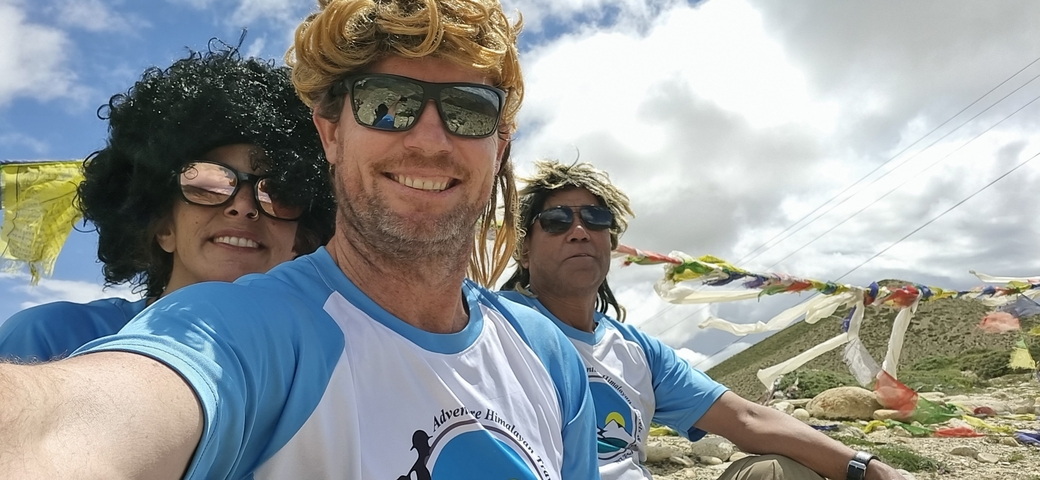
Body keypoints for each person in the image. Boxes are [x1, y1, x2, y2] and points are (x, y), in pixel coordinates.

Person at [0, 1, 598, 479]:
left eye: (469, 109)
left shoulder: (546, 354)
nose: (432, 139)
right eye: (386, 105)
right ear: (330, 134)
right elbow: (80, 424)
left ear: (500, 142)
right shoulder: (234, 331)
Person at [500, 160, 905, 480]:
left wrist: (868, 467)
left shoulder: (638, 352)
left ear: (611, 241)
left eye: (595, 219)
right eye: (556, 221)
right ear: (522, 249)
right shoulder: (488, 325)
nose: (579, 231)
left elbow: (747, 418)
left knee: (773, 473)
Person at [0, 45, 336, 363]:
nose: (244, 206)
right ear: (163, 227)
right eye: (207, 183)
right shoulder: (50, 339)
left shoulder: (324, 369)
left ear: (300, 241)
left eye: (279, 192)